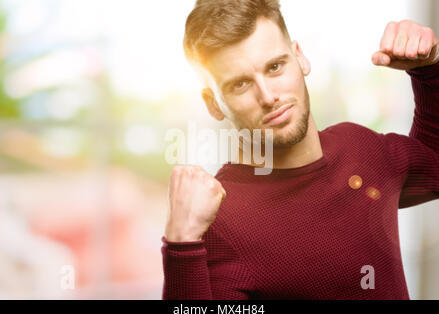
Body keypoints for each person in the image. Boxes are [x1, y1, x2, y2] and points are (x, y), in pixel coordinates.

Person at [161, 0, 439, 299]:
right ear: (213, 103)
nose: (268, 97)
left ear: (300, 57)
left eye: (275, 67)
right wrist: (181, 243)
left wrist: (429, 72)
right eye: (241, 84)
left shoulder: (362, 149)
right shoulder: (222, 221)